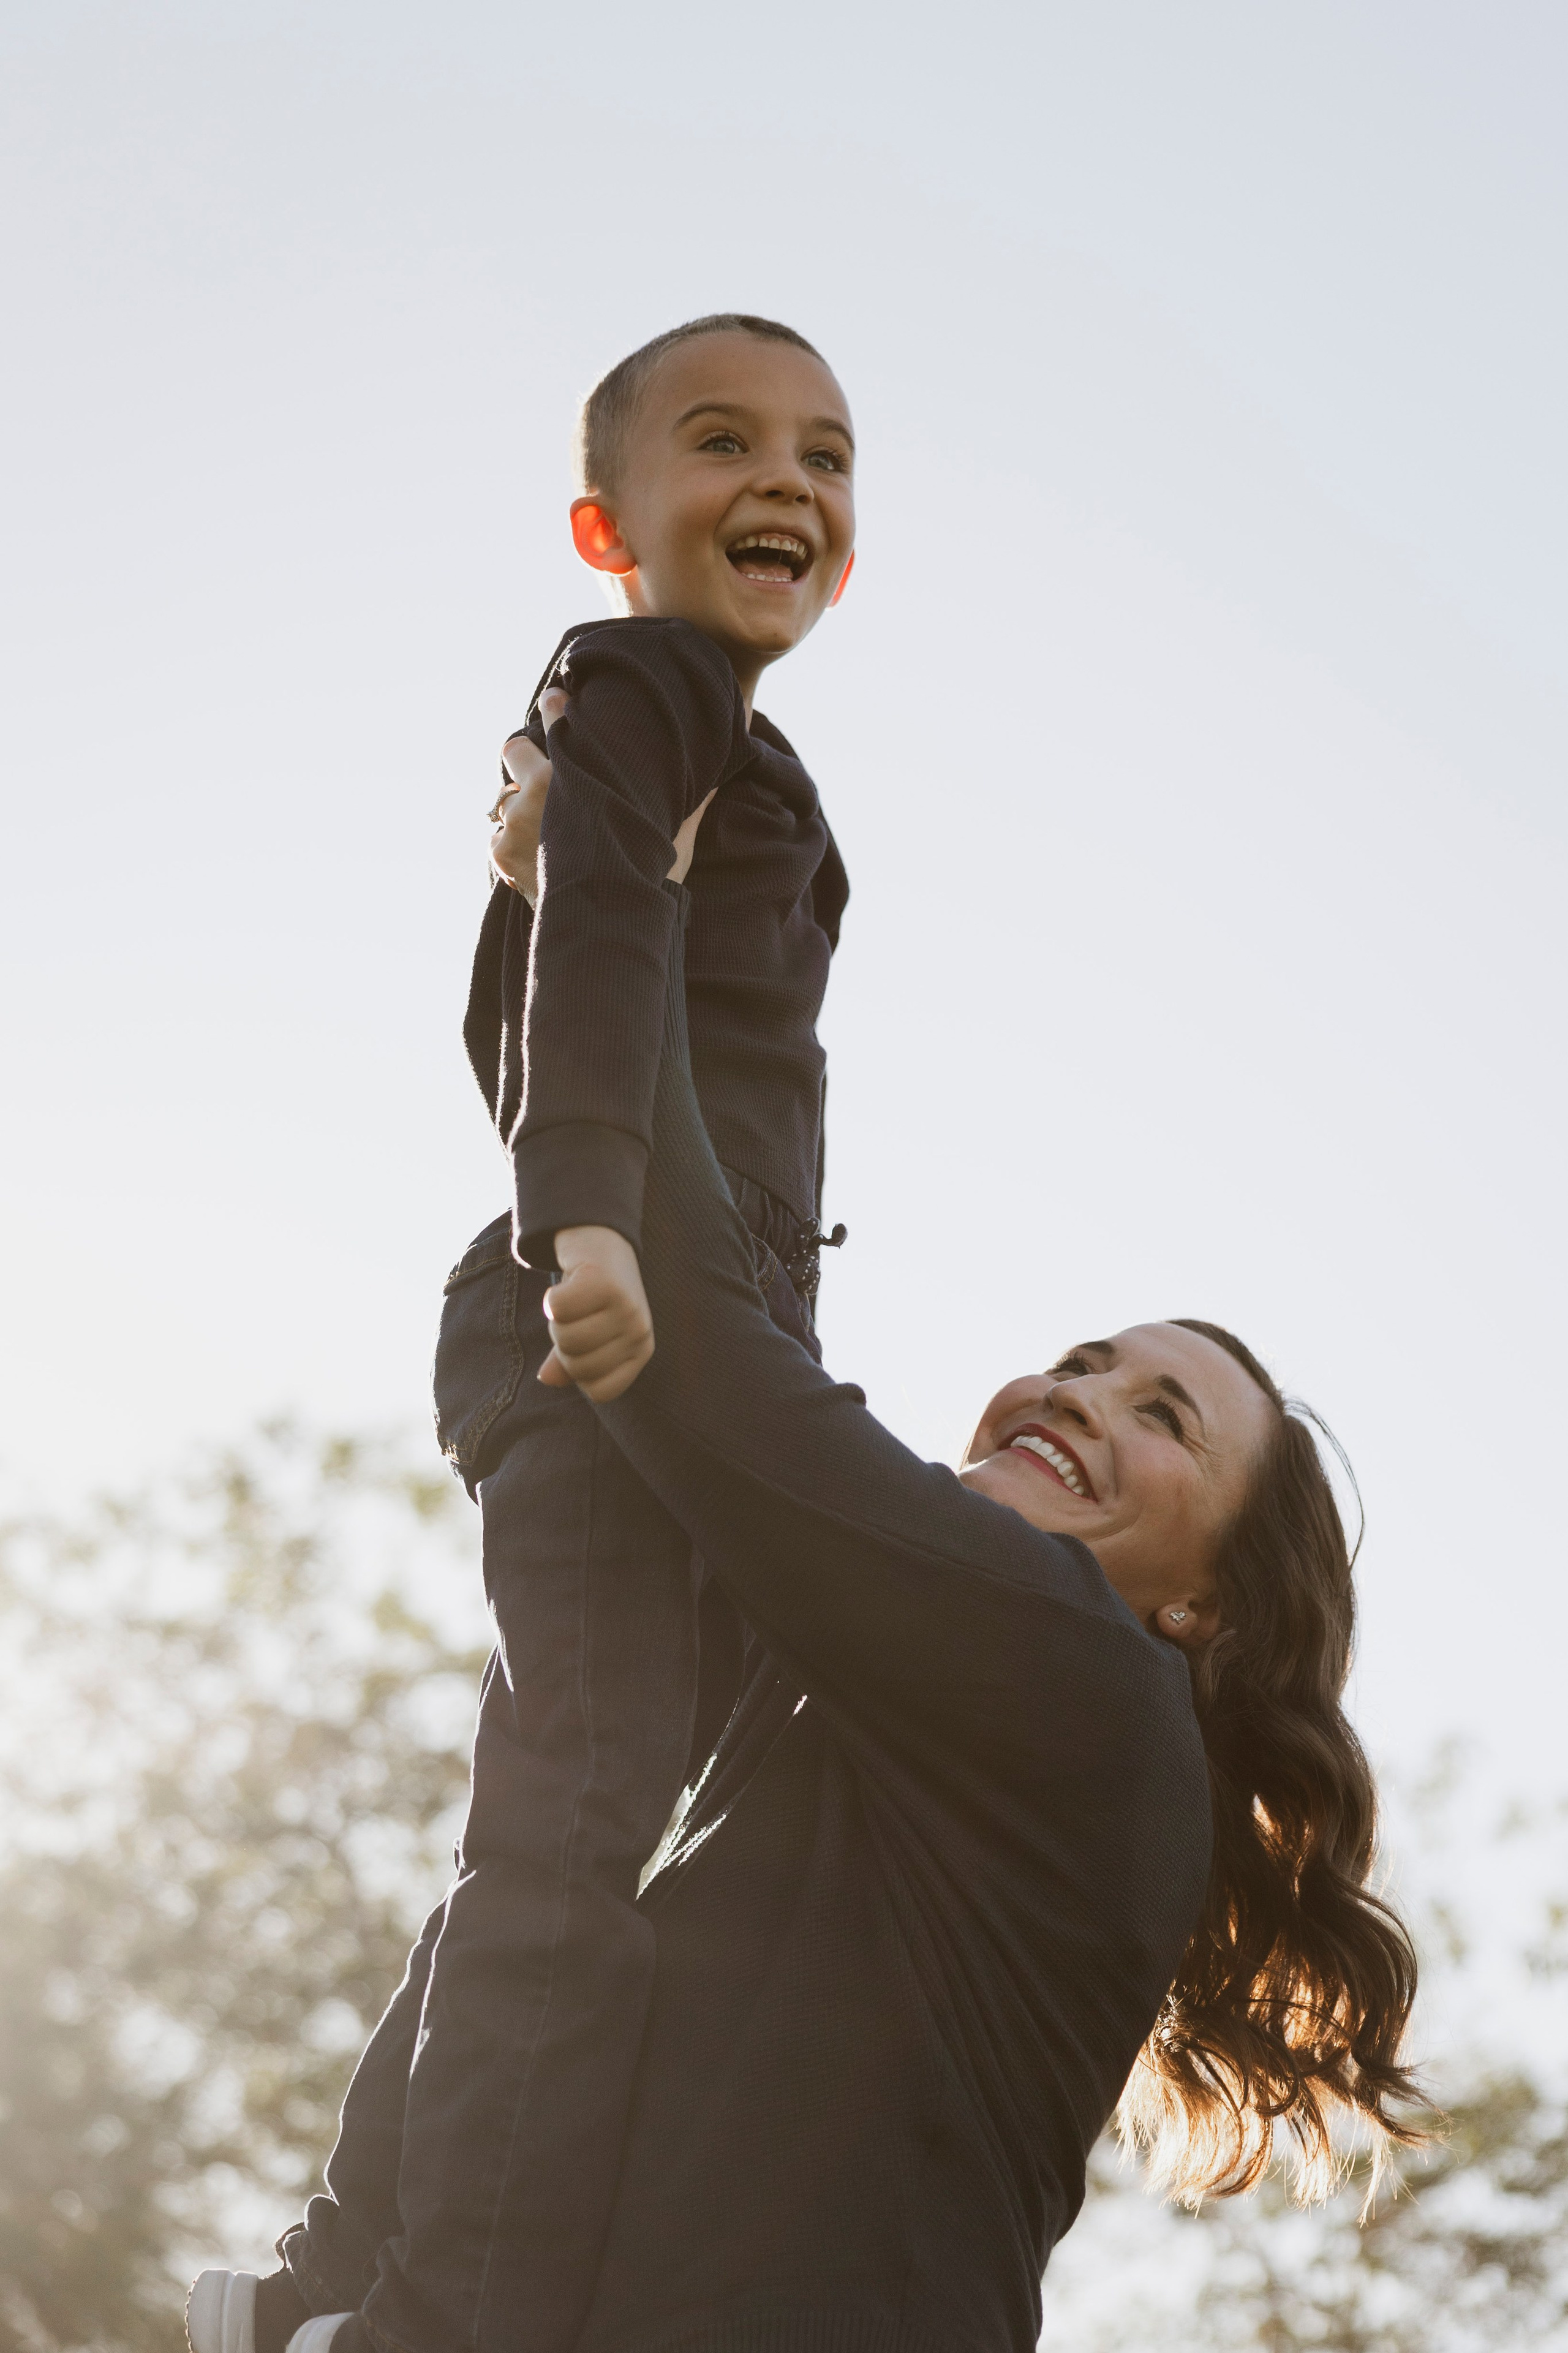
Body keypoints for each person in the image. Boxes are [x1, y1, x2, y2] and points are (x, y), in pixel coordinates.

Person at [188, 314, 858, 2353]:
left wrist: (533, 889)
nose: (787, 484)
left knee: (569, 1815)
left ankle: (319, 2277)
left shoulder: (710, 743)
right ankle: (422, 2327)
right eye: (724, 441)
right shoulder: (636, 680)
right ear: (609, 523)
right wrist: (584, 1209)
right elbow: (585, 981)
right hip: (613, 1323)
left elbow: (562, 967)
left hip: (690, 1324)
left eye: (827, 460)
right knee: (578, 1832)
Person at [515, 922, 1429, 2349]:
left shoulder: (1092, 1680)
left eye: (1160, 1416)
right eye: (1082, 1362)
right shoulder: (890, 1693)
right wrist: (550, 905)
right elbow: (719, 1290)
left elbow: (705, 1339)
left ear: (1202, 1608)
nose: (1079, 1394)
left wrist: (632, 884)